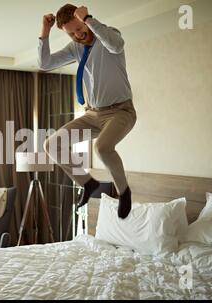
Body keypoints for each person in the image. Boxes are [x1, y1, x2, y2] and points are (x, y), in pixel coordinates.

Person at [38, 4, 137, 219]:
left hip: (121, 112)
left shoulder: (108, 36)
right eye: (71, 33)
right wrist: (45, 32)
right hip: (92, 115)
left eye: (79, 28)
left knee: (102, 148)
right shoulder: (75, 48)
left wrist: (89, 19)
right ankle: (88, 183)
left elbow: (116, 44)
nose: (78, 35)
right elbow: (45, 64)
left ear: (84, 20)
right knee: (51, 145)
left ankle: (124, 192)